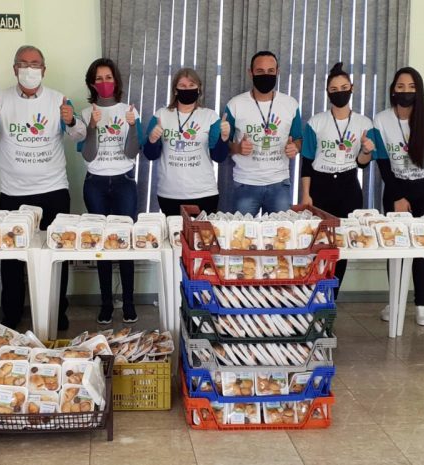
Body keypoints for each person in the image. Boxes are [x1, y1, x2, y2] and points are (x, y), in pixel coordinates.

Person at [0, 45, 86, 330]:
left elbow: (80, 135)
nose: (29, 69)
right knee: (12, 258)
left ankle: (56, 310)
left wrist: (71, 120)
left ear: (44, 69)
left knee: (55, 253)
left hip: (53, 189)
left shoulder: (59, 100)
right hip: (14, 192)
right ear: (14, 69)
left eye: (35, 64)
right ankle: (11, 313)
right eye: (23, 63)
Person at [371, 66, 424, 326]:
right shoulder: (381, 120)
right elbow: (382, 162)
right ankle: (394, 301)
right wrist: (397, 196)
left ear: (418, 91)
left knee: (423, 246)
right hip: (396, 186)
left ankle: (421, 305)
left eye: (411, 87)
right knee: (394, 245)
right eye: (400, 87)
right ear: (393, 90)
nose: (405, 91)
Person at [300, 62, 375, 297]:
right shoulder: (316, 122)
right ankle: (313, 295)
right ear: (327, 92)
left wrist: (366, 150)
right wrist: (306, 194)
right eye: (334, 89)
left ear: (352, 88)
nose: (339, 92)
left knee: (341, 246)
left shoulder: (364, 123)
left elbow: (363, 162)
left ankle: (331, 297)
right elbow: (307, 161)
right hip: (320, 186)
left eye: (344, 87)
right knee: (318, 243)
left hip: (348, 187)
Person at [78, 58, 142, 325]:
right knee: (101, 246)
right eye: (99, 78)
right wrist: (93, 126)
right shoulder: (85, 113)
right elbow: (88, 155)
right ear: (92, 83)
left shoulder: (129, 111)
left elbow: (132, 152)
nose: (104, 83)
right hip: (96, 183)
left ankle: (128, 303)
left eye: (108, 77)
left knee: (125, 244)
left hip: (124, 181)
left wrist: (132, 126)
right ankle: (106, 303)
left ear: (116, 81)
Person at [224, 51, 302, 215]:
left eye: (270, 71)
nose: (266, 75)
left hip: (279, 183)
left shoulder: (290, 104)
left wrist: (295, 147)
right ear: (250, 72)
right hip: (245, 183)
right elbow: (223, 145)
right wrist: (238, 148)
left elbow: (298, 139)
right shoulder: (235, 104)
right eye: (260, 71)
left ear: (277, 72)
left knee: (281, 230)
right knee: (242, 231)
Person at [143, 67, 230, 216]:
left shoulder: (210, 116)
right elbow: (150, 155)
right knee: (173, 232)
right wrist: (152, 140)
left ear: (199, 89)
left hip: (204, 193)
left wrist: (224, 138)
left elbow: (219, 157)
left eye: (191, 85)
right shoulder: (161, 115)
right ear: (175, 90)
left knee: (202, 232)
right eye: (182, 86)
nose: (187, 89)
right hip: (169, 194)